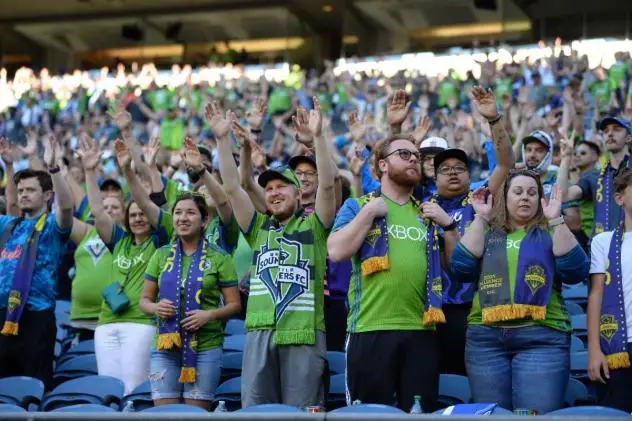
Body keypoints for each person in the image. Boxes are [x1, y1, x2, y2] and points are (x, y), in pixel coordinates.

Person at [211, 97, 336, 408]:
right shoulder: (258, 228)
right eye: (268, 189)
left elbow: (330, 185)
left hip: (304, 332)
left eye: (282, 187)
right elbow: (231, 187)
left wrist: (318, 138)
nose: (274, 192)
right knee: (257, 412)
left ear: (299, 191)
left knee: (302, 412)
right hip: (260, 329)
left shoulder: (316, 227)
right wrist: (222, 140)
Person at [328, 133, 460, 412]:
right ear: (382, 165)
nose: (414, 158)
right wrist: (368, 214)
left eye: (416, 155)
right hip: (369, 329)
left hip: (421, 332)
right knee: (368, 418)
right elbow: (337, 251)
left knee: (419, 416)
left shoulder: (427, 214)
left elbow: (457, 269)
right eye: (404, 154)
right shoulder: (358, 206)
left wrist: (448, 226)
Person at [450, 172, 589, 413]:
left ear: (540, 199)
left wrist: (556, 220)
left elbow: (576, 271)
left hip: (542, 338)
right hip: (485, 340)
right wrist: (481, 217)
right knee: (490, 416)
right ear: (504, 198)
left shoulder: (551, 231)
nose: (525, 198)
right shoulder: (486, 231)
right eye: (518, 192)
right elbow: (460, 268)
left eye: (532, 193)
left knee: (535, 416)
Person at [78, 135, 173, 394]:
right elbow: (98, 211)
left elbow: (149, 204)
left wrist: (128, 171)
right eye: (133, 215)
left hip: (141, 323)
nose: (138, 218)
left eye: (142, 214)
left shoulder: (160, 241)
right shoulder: (118, 240)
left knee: (134, 388)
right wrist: (88, 171)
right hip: (106, 323)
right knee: (108, 389)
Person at [433, 86, 514, 375]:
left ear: (469, 174)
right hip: (435, 308)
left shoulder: (481, 197)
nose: (453, 172)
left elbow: (505, 164)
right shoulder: (424, 207)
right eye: (445, 169)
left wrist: (493, 120)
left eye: (459, 167)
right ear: (433, 179)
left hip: (477, 304)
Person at [140, 186, 240, 409]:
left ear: (204, 221)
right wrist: (156, 308)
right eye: (178, 212)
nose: (182, 218)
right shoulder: (161, 254)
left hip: (205, 347)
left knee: (194, 415)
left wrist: (210, 314)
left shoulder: (219, 257)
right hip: (165, 349)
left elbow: (235, 305)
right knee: (165, 415)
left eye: (190, 213)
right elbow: (144, 301)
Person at [0, 135, 73, 389]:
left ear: (47, 195)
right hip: (3, 315)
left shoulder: (53, 227)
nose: (23, 195)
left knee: (32, 389)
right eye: (21, 190)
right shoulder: (9, 225)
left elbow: (65, 209)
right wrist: (9, 167)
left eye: (30, 190)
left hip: (35, 318)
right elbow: (9, 202)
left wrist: (53, 169)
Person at [587, 168, 632, 412]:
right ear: (619, 199)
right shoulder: (603, 241)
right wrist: (594, 348)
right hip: (619, 343)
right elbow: (596, 294)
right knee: (618, 410)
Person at [559, 117, 632, 236]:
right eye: (606, 131)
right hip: (601, 248)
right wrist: (566, 158)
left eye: (616, 129)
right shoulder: (595, 176)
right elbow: (564, 195)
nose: (610, 134)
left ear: (629, 137)